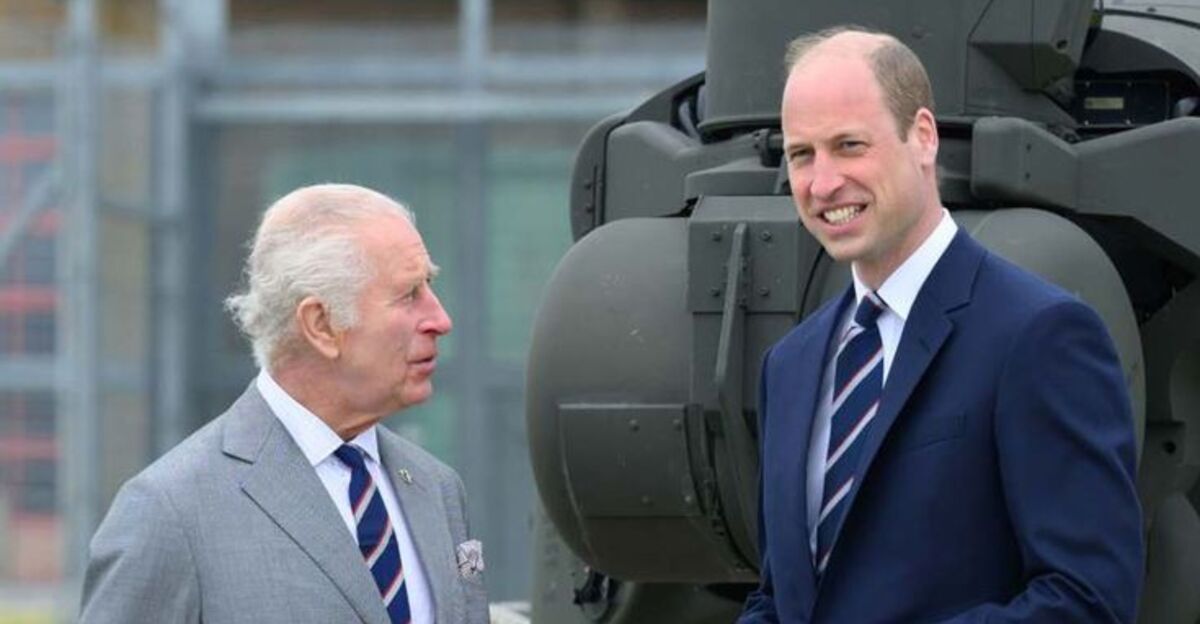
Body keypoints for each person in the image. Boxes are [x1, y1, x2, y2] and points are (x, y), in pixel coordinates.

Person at [739, 28, 1143, 623]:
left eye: (849, 145)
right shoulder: (789, 366)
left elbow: (1088, 601)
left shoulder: (1041, 336)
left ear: (923, 137)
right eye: (802, 154)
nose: (822, 183)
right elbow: (781, 600)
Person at [80, 184, 488, 624]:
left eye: (429, 285)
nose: (440, 319)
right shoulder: (169, 512)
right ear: (321, 325)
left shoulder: (437, 487)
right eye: (409, 294)